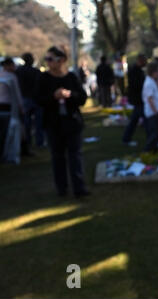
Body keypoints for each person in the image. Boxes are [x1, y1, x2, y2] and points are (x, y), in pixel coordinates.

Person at [34, 46, 90, 198]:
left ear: (62, 60)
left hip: (72, 122)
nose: (49, 62)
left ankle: (79, 188)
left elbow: (82, 98)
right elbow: (38, 100)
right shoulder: (44, 78)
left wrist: (69, 95)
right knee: (57, 156)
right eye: (47, 59)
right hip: (53, 124)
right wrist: (54, 97)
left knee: (75, 155)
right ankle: (62, 188)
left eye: (51, 59)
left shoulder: (71, 77)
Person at [16, 52, 44, 150]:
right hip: (35, 99)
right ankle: (39, 142)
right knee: (38, 123)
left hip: (26, 98)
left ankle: (28, 142)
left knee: (27, 122)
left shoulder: (19, 71)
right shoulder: (36, 72)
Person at [0, 57, 24, 164]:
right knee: (7, 132)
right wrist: (21, 107)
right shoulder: (11, 77)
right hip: (8, 108)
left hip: (4, 107)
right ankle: (8, 154)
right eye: (12, 65)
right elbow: (17, 94)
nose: (14, 67)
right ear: (7, 65)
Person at [122, 54, 147, 146]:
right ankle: (152, 138)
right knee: (145, 120)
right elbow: (136, 84)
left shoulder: (137, 70)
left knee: (134, 120)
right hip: (138, 99)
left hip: (138, 99)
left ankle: (126, 138)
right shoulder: (134, 71)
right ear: (140, 61)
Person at [142, 62, 158, 153]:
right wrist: (155, 111)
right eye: (157, 72)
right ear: (153, 72)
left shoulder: (151, 81)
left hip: (155, 111)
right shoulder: (149, 83)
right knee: (154, 133)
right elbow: (149, 99)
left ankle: (154, 149)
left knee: (157, 132)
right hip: (153, 112)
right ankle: (147, 149)